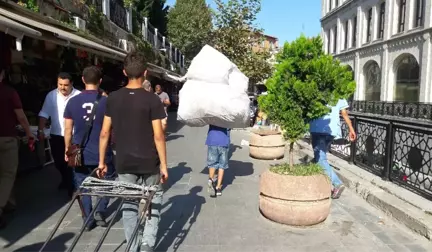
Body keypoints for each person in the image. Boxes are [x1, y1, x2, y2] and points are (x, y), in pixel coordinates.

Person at [98, 52, 168, 252]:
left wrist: (102, 162)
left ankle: (132, 245)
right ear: (145, 73)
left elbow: (104, 132)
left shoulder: (112, 98)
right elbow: (158, 136)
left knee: (129, 205)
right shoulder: (153, 100)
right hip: (150, 162)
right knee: (153, 203)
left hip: (124, 161)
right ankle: (147, 244)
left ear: (124, 72)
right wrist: (164, 164)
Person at [63, 66, 115, 231]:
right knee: (108, 180)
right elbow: (109, 129)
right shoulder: (107, 102)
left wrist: (67, 150)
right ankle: (100, 209)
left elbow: (67, 130)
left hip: (80, 153)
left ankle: (88, 218)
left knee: (82, 185)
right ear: (100, 81)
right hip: (102, 151)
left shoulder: (72, 101)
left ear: (83, 80)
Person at [0, 65, 33, 228]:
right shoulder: (9, 92)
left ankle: (9, 203)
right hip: (7, 138)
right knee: (8, 173)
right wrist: (29, 133)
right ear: (3, 74)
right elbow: (21, 116)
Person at [38, 72, 81, 197]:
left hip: (73, 136)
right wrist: (40, 130)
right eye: (60, 84)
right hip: (57, 134)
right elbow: (44, 113)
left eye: (65, 85)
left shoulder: (78, 96)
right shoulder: (51, 96)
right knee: (58, 162)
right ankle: (66, 180)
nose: (62, 87)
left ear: (71, 84)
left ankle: (72, 187)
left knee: (72, 163)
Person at [309, 98, 356, 199]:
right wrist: (351, 129)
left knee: (320, 159)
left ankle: (337, 183)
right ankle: (318, 182)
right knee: (320, 157)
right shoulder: (340, 94)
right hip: (332, 130)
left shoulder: (317, 88)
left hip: (318, 128)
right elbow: (344, 113)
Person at [206, 125, 231, 196]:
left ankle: (211, 179)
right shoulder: (227, 116)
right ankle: (218, 187)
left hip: (212, 139)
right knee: (222, 165)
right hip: (223, 141)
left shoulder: (212, 115)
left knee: (212, 163)